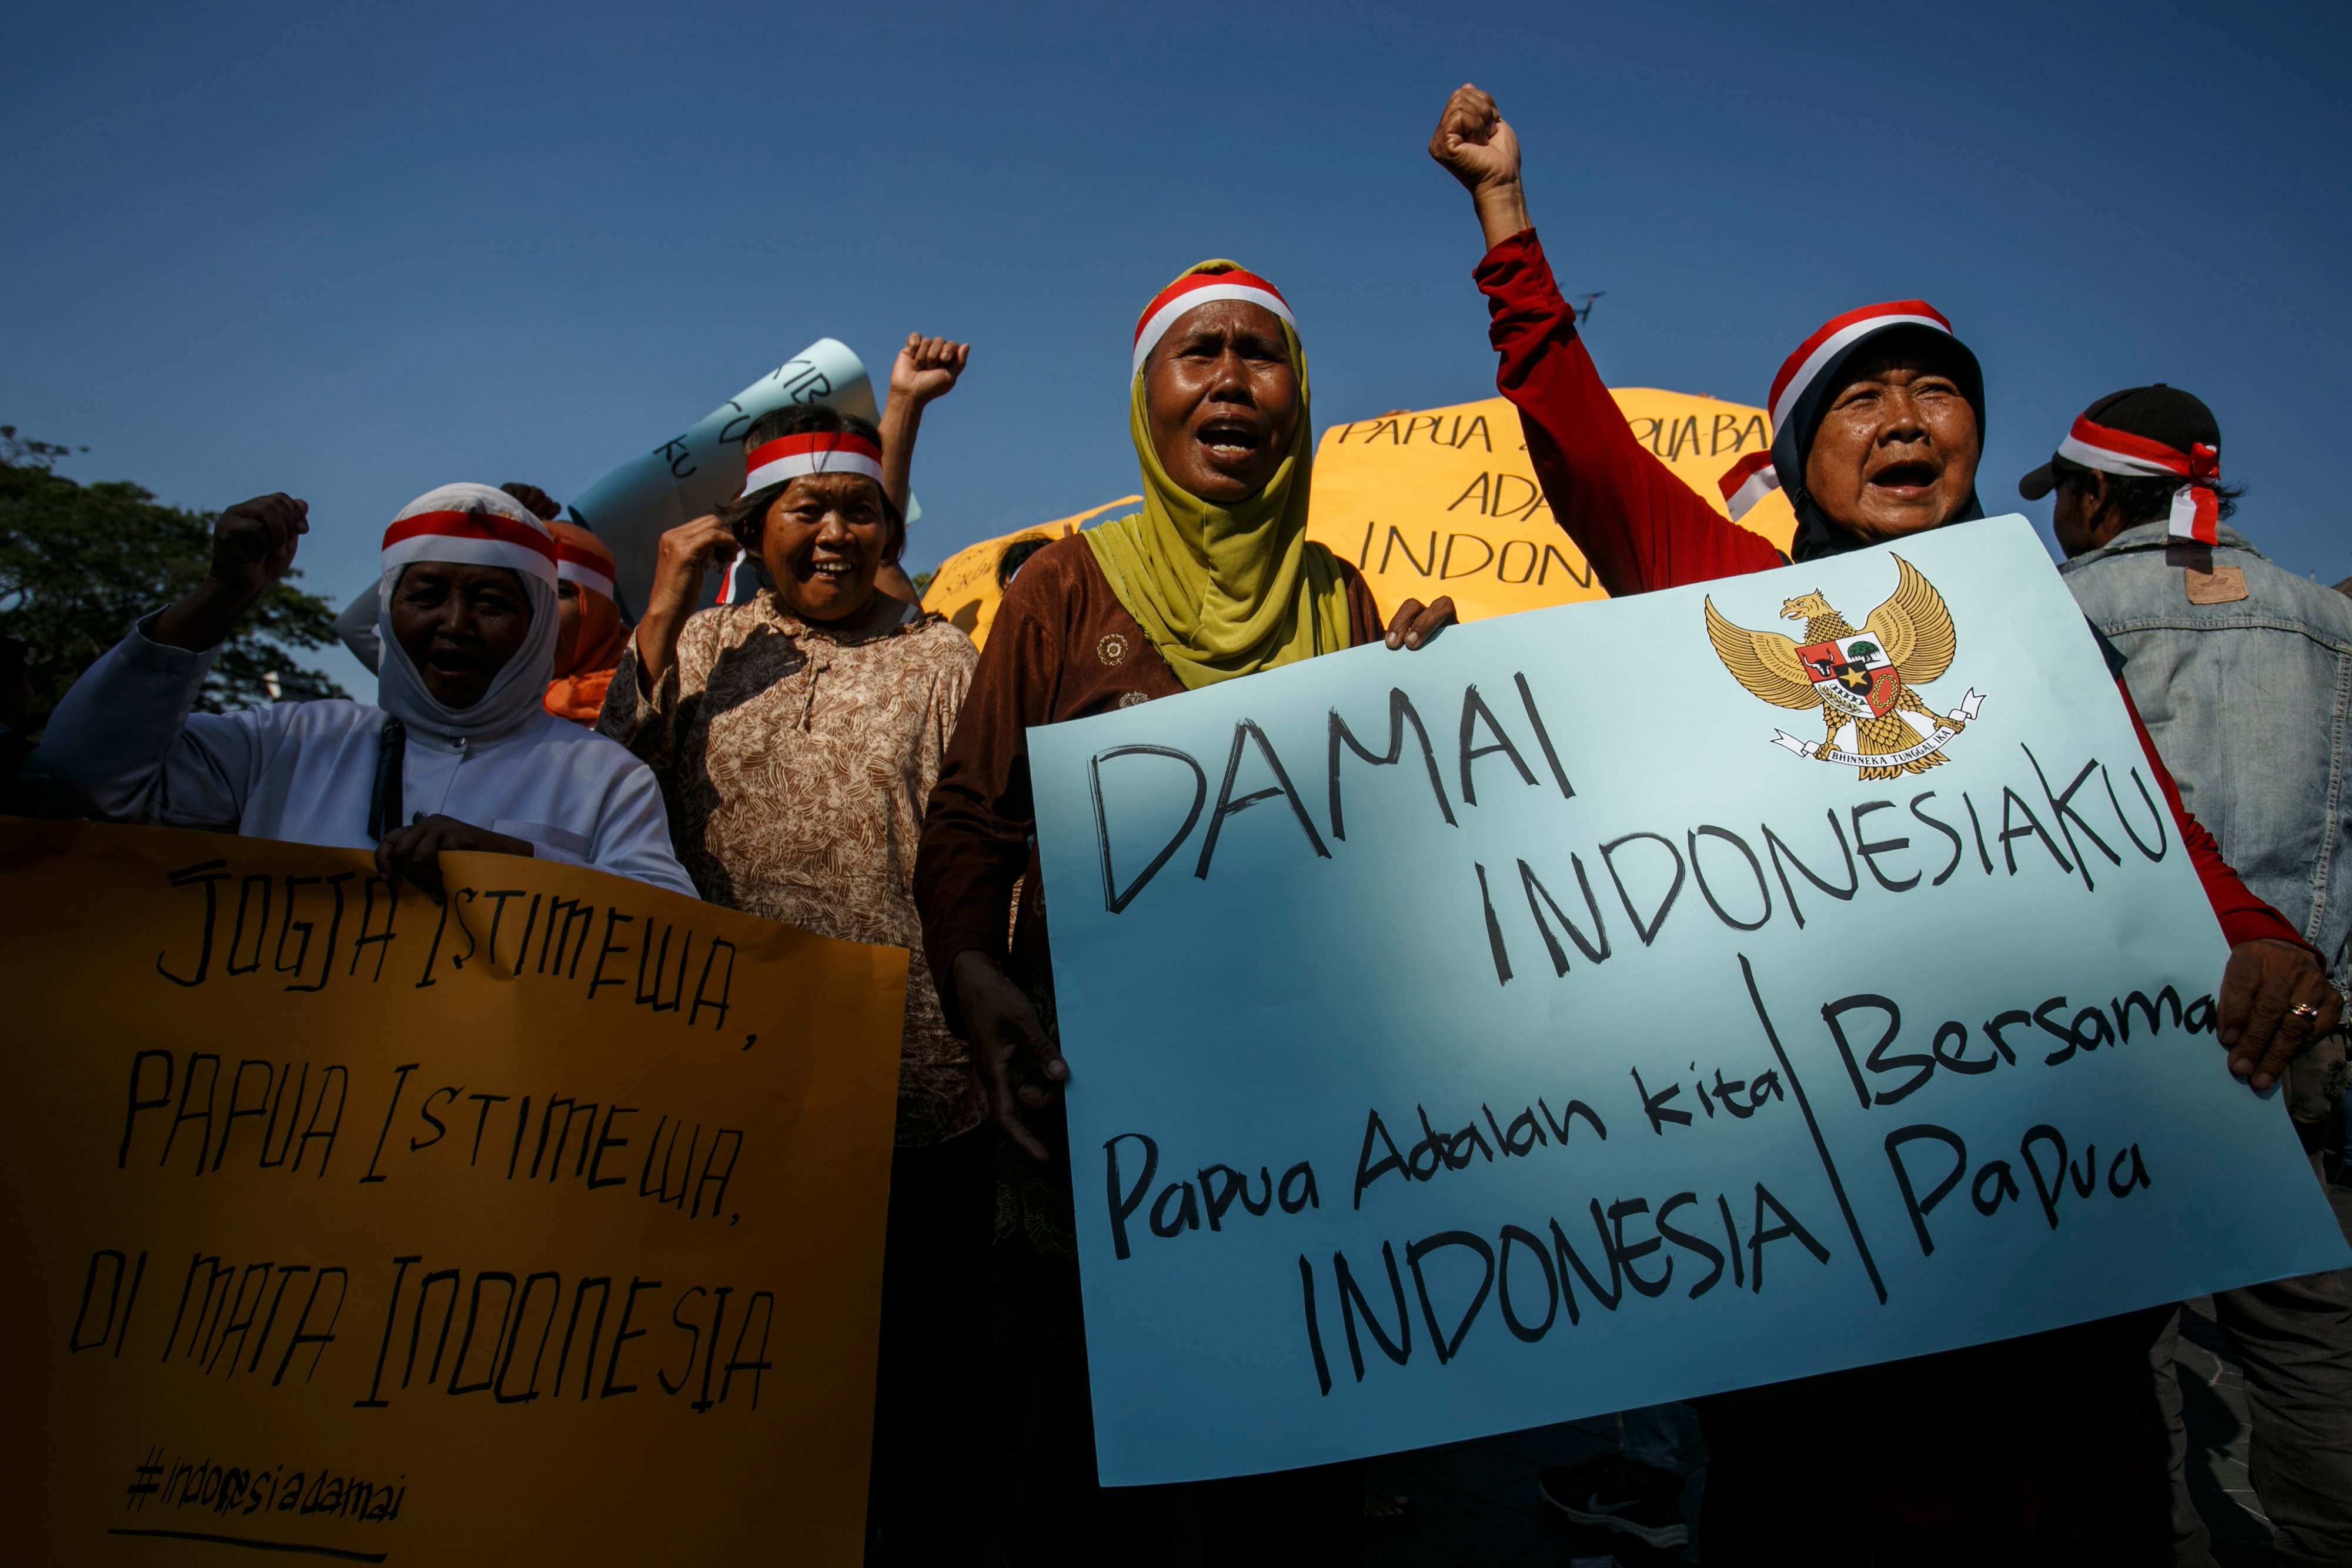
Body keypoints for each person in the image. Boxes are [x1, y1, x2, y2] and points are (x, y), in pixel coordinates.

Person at [1426, 82, 2340, 1564]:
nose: (1905, 419)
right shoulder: (1723, 588)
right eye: (1860, 400)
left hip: (2051, 1254)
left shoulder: (2033, 634)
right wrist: (1501, 214)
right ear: (1797, 465)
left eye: (1934, 391)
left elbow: (2160, 839)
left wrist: (2257, 944)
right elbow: (1576, 438)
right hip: (1828, 1277)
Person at [913, 259, 1454, 1566]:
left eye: (1258, 354)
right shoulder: (1064, 589)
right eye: (1194, 352)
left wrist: (1442, 699)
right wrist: (976, 970)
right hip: (1095, 1126)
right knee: (1088, 1482)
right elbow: (972, 823)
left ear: (1299, 396)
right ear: (1147, 397)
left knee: (1289, 1483)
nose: (1228, 378)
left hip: (1301, 1136)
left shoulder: (1346, 603)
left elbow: (1400, 842)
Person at [594, 343, 982, 1563]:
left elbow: (989, 853)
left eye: (858, 510)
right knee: (744, 1371)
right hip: (735, 1088)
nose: (831, 534)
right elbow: (610, 791)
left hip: (920, 1092)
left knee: (912, 1396)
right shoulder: (702, 656)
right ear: (751, 530)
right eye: (804, 510)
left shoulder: (941, 658)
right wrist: (660, 607)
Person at [2033, 385, 2352, 1568]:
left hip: (2116, 1052)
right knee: (2311, 1342)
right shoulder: (2325, 621)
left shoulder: (2044, 614)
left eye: (2062, 496)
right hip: (2299, 1046)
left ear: (2093, 492)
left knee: (2115, 1355)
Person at [38, 483, 696, 898]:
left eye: (492, 602)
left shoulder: (606, 777)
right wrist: (223, 595)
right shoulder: (286, 742)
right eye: (428, 596)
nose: (455, 625)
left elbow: (664, 931)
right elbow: (87, 776)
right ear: (388, 610)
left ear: (537, 626)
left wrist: (518, 863)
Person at [543, 519, 627, 724]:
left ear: (599, 615)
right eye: (527, 594)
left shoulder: (657, 690)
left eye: (560, 593)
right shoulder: (474, 711)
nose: (539, 610)